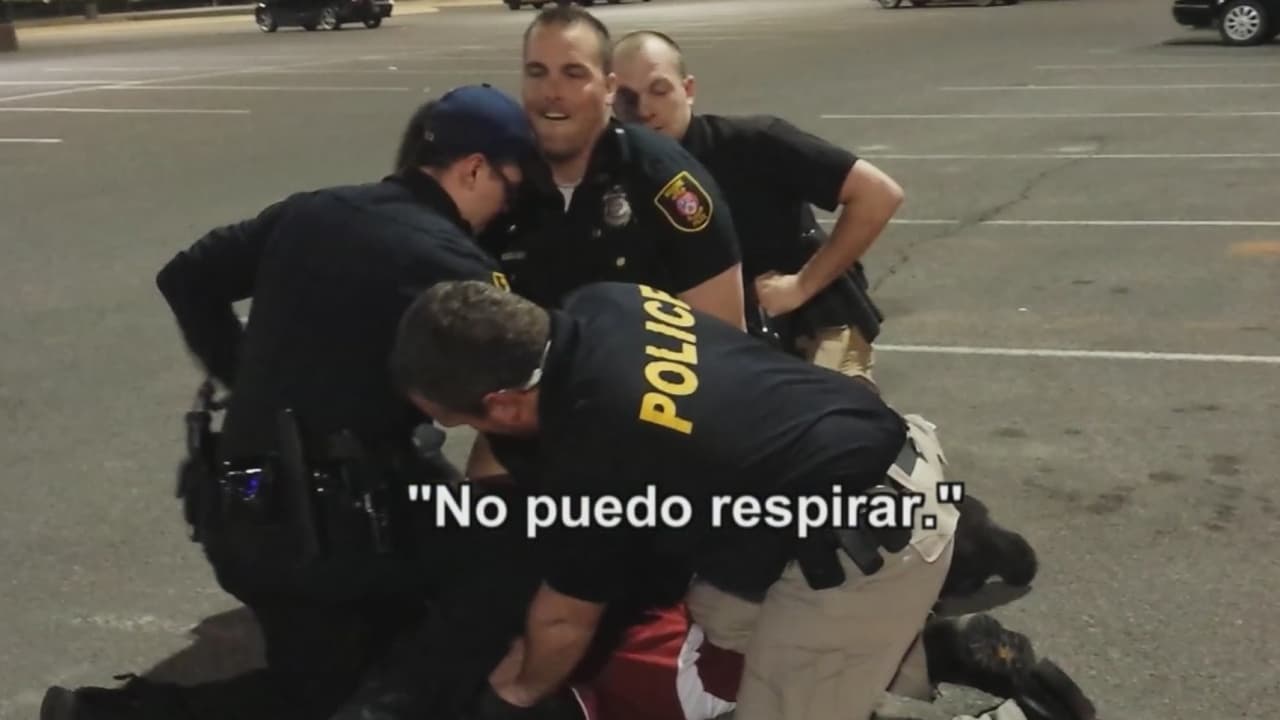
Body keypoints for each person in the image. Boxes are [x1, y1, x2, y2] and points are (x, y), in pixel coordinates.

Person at [40, 84, 541, 720]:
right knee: (355, 688)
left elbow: (187, 277)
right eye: (509, 191)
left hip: (241, 502)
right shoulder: (449, 261)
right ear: (473, 168)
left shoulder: (317, 209)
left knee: (379, 646)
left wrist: (244, 376)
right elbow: (518, 391)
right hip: (326, 538)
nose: (504, 211)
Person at [388, 279, 1097, 720]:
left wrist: (509, 696)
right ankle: (933, 651)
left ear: (503, 403)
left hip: (865, 543)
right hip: (870, 466)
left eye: (457, 420)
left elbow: (564, 622)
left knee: (792, 687)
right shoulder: (603, 303)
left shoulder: (596, 445)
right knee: (721, 620)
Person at [609, 29, 897, 383]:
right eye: (627, 98)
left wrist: (801, 286)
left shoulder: (754, 142)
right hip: (703, 340)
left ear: (688, 89)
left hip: (810, 322)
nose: (645, 110)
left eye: (659, 90)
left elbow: (877, 195)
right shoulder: (613, 172)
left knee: (830, 406)